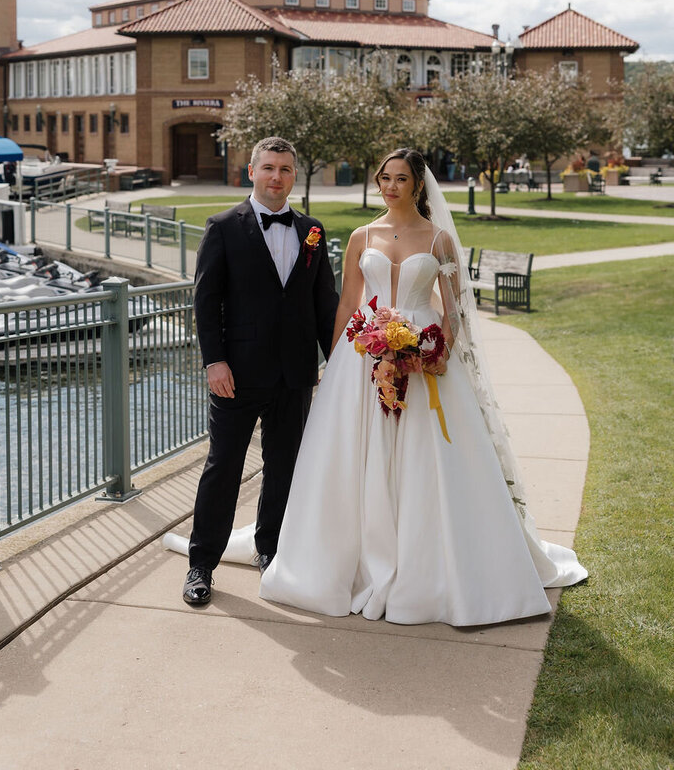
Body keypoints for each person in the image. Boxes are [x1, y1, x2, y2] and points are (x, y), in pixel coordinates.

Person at [259, 148, 587, 625]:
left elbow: (455, 313)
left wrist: (433, 354)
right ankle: (348, 562)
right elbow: (349, 303)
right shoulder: (360, 236)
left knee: (423, 460)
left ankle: (427, 570)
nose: (391, 186)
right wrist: (333, 367)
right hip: (361, 360)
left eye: (401, 179)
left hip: (423, 359)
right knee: (354, 459)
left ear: (418, 185)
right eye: (385, 178)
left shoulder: (438, 241)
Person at [181, 136, 339, 607]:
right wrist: (214, 361)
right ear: (251, 172)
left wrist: (338, 360)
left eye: (285, 170)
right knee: (223, 468)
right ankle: (201, 564)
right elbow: (206, 302)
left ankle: (271, 553)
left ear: (294, 176)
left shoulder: (312, 230)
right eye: (268, 168)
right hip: (236, 375)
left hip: (295, 375)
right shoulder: (223, 227)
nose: (276, 177)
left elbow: (323, 302)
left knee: (285, 468)